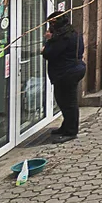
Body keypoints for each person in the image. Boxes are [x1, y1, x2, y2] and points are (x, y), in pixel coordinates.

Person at [42, 11, 85, 142]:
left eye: (51, 23)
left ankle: (71, 131)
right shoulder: (73, 33)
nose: (50, 27)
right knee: (63, 101)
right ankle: (66, 126)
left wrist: (48, 42)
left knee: (68, 103)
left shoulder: (63, 37)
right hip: (74, 69)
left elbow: (49, 53)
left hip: (67, 73)